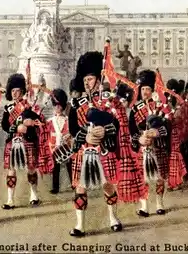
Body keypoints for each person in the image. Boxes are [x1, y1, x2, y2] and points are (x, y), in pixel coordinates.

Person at [67, 51, 124, 237]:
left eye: (90, 79)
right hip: (84, 150)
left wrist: (105, 130)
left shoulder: (109, 101)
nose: (86, 83)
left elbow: (117, 124)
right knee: (80, 188)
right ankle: (80, 225)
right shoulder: (76, 104)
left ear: (98, 80)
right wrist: (85, 137)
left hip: (103, 150)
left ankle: (113, 218)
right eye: (85, 79)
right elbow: (73, 128)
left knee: (107, 186)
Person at [1, 73, 53, 209]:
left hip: (28, 141)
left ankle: (34, 194)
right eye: (12, 91)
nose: (14, 93)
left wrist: (31, 123)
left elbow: (41, 122)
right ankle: (10, 199)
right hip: (13, 141)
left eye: (17, 90)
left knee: (31, 169)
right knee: (11, 170)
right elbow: (4, 126)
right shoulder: (8, 109)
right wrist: (16, 127)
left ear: (22, 92)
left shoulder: (30, 108)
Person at [129, 70, 171, 216]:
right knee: (143, 178)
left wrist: (158, 133)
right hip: (143, 149)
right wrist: (139, 140)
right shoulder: (134, 109)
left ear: (152, 90)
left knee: (160, 178)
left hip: (157, 146)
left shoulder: (159, 106)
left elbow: (168, 127)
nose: (145, 92)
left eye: (148, 89)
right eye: (143, 89)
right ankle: (144, 206)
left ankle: (159, 203)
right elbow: (132, 131)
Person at [47, 88, 72, 194]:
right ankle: (55, 187)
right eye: (55, 105)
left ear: (63, 106)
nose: (57, 107)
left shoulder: (68, 120)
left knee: (70, 166)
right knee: (55, 168)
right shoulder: (50, 121)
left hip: (67, 146)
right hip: (54, 146)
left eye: (59, 105)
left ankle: (73, 183)